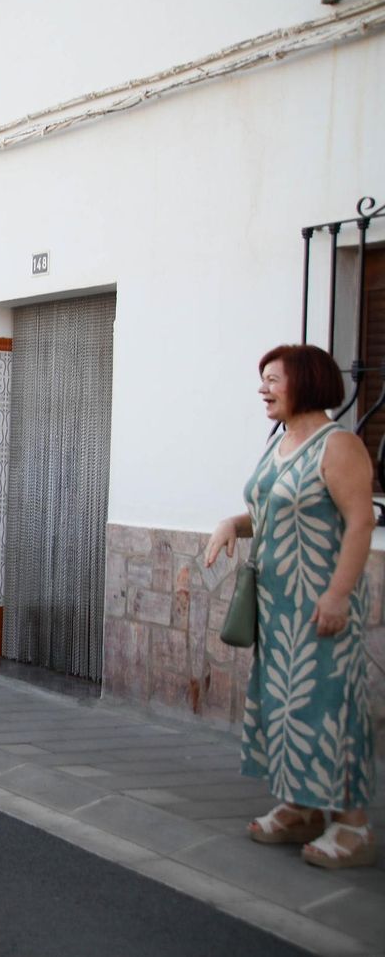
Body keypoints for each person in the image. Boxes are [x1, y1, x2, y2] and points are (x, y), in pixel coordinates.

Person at [204, 344, 376, 869]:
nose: (264, 389)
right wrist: (235, 523)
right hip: (279, 608)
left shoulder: (338, 445)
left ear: (305, 381)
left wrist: (338, 594)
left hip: (322, 601)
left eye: (274, 379)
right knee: (287, 705)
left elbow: (361, 520)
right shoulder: (282, 443)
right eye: (263, 379)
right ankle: (302, 807)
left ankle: (353, 824)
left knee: (329, 706)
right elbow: (272, 510)